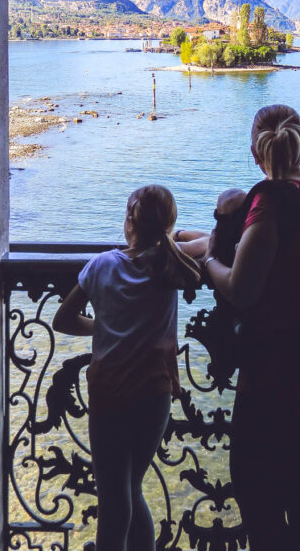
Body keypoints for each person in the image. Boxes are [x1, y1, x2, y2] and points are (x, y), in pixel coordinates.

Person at [203, 104, 300, 551]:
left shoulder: (268, 202)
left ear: (255, 152)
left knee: (258, 500)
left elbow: (240, 287)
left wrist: (209, 257)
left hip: (273, 373)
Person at [52, 184, 201, 551]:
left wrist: (100, 326)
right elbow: (212, 241)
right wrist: (173, 235)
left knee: (114, 497)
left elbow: (62, 319)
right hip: (155, 392)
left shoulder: (101, 265)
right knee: (131, 488)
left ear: (129, 221)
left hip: (109, 392)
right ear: (166, 225)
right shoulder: (169, 263)